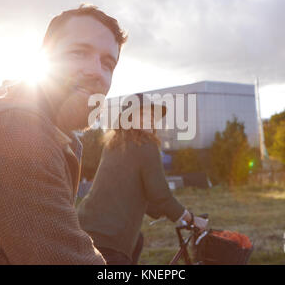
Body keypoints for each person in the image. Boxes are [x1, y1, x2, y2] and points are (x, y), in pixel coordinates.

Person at [0, 4, 126, 264]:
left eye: (108, 63)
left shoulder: (56, 136)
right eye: (78, 52)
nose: (97, 71)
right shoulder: (15, 130)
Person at [78, 94, 208, 265]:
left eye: (153, 115)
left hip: (82, 228)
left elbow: (130, 190)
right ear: (129, 118)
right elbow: (160, 194)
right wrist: (191, 218)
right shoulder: (146, 145)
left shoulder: (113, 145)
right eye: (144, 114)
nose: (152, 119)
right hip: (110, 241)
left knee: (137, 240)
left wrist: (164, 210)